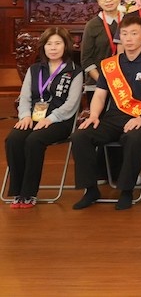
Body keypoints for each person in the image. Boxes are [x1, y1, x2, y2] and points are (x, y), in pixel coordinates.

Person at [71, 13, 141, 210]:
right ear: (120, 37)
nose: (129, 38)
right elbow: (100, 96)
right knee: (80, 136)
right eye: (125, 34)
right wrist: (94, 116)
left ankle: (126, 191)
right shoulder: (110, 65)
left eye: (134, 33)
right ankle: (91, 190)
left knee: (133, 139)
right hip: (113, 117)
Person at [5, 27, 83, 209]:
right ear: (43, 47)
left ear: (66, 46)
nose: (53, 48)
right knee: (13, 139)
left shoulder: (75, 71)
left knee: (34, 141)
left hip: (60, 120)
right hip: (33, 117)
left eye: (58, 43)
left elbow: (72, 104)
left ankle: (29, 193)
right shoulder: (34, 69)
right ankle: (17, 191)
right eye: (49, 44)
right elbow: (24, 97)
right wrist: (25, 116)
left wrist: (51, 118)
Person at [81, 0, 122, 84]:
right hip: (98, 82)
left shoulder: (128, 21)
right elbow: (86, 59)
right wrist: (103, 82)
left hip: (125, 81)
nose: (108, 0)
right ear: (98, 1)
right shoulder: (92, 25)